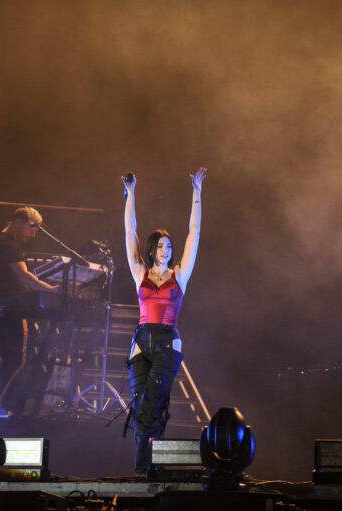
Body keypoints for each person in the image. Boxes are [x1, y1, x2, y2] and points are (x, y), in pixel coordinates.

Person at [122, 167, 206, 476]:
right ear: (152, 248)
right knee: (140, 405)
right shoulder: (140, 272)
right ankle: (147, 469)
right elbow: (129, 231)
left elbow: (194, 233)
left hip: (168, 340)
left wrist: (196, 191)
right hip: (142, 340)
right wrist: (131, 193)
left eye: (169, 246)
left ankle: (142, 470)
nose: (166, 250)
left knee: (152, 404)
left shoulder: (180, 274)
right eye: (160, 245)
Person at [0, 206, 58, 413]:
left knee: (5, 356)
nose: (34, 233)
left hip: (0, 307)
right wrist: (51, 289)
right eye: (32, 227)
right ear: (18, 222)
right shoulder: (8, 245)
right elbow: (24, 276)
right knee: (17, 358)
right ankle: (2, 403)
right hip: (11, 310)